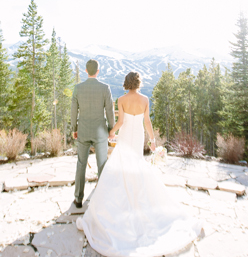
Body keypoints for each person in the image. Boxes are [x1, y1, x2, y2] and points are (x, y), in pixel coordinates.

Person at [76, 72, 202, 257]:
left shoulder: (121, 99)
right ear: (139, 83)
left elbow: (120, 121)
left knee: (121, 167)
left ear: (127, 83)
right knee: (136, 165)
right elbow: (147, 121)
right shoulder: (145, 99)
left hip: (126, 135)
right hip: (137, 137)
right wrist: (152, 140)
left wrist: (111, 132)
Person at [71, 59, 115, 209]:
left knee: (81, 164)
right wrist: (111, 129)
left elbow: (73, 111)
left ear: (85, 70)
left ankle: (78, 199)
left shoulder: (78, 88)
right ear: (98, 71)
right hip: (100, 132)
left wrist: (74, 128)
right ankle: (102, 198)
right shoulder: (105, 88)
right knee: (102, 164)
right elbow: (109, 110)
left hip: (83, 130)